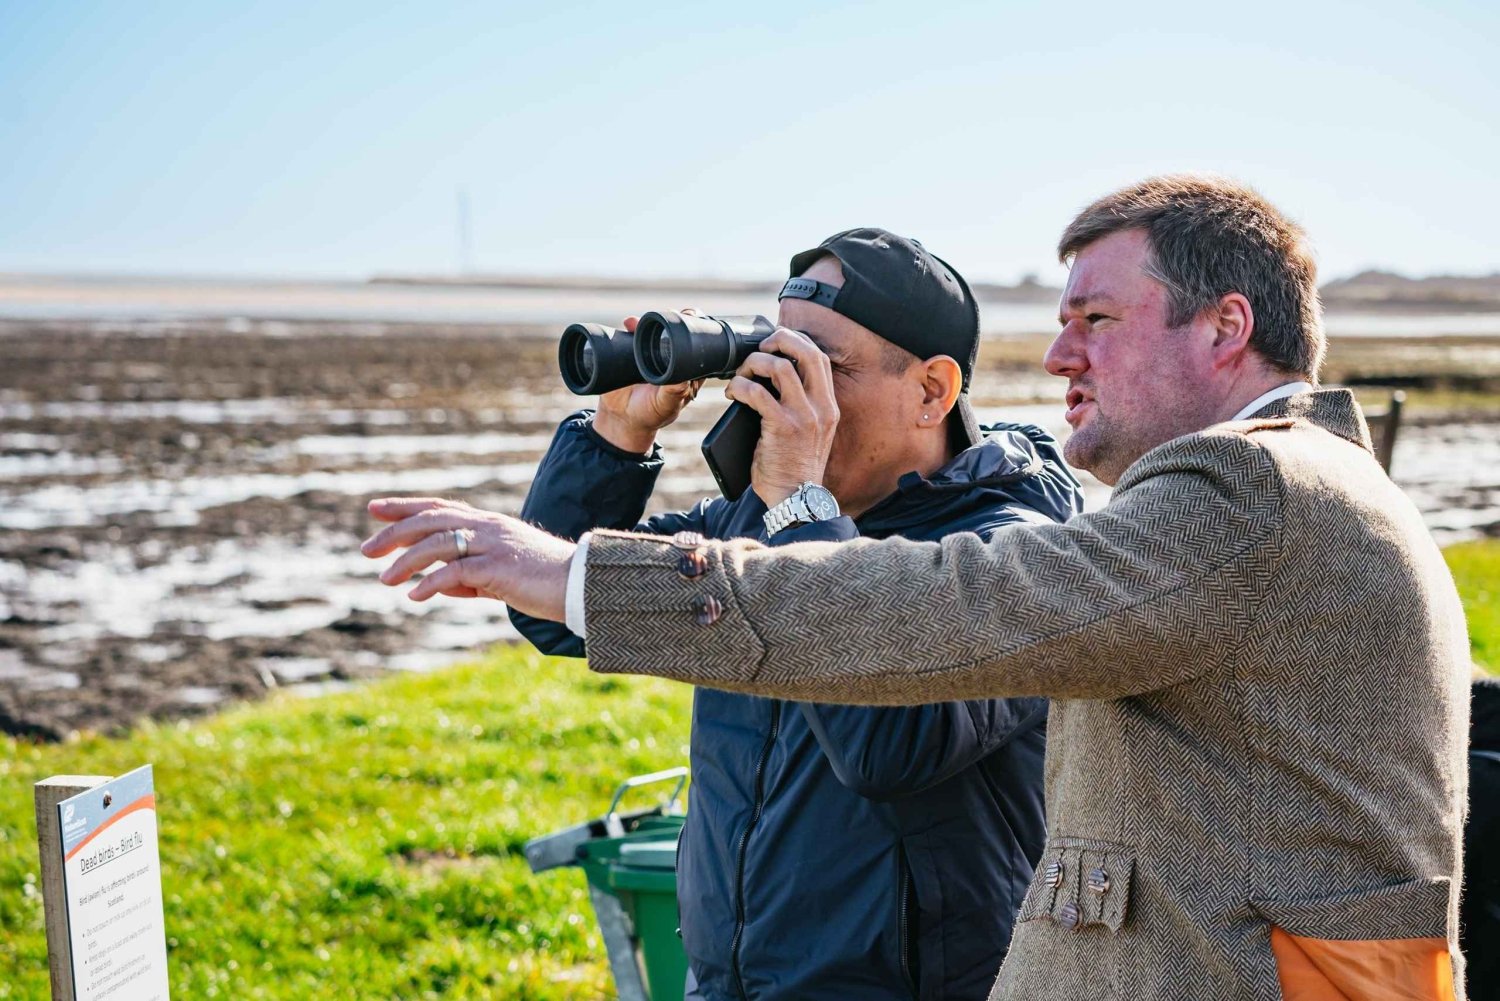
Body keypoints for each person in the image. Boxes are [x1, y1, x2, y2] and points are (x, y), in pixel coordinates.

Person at [362, 175, 1471, 1001]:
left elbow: (910, 673)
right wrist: (612, 440)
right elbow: (554, 612)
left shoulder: (1238, 487)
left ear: (1227, 325)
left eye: (1097, 320)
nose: (1057, 357)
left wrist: (783, 505)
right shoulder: (1263, 491)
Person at [505, 228, 1082, 1000]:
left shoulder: (1015, 554)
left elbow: (889, 745)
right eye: (778, 359)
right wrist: (618, 436)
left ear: (933, 390)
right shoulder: (755, 523)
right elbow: (559, 606)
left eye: (825, 368)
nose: (792, 392)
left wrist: (799, 509)